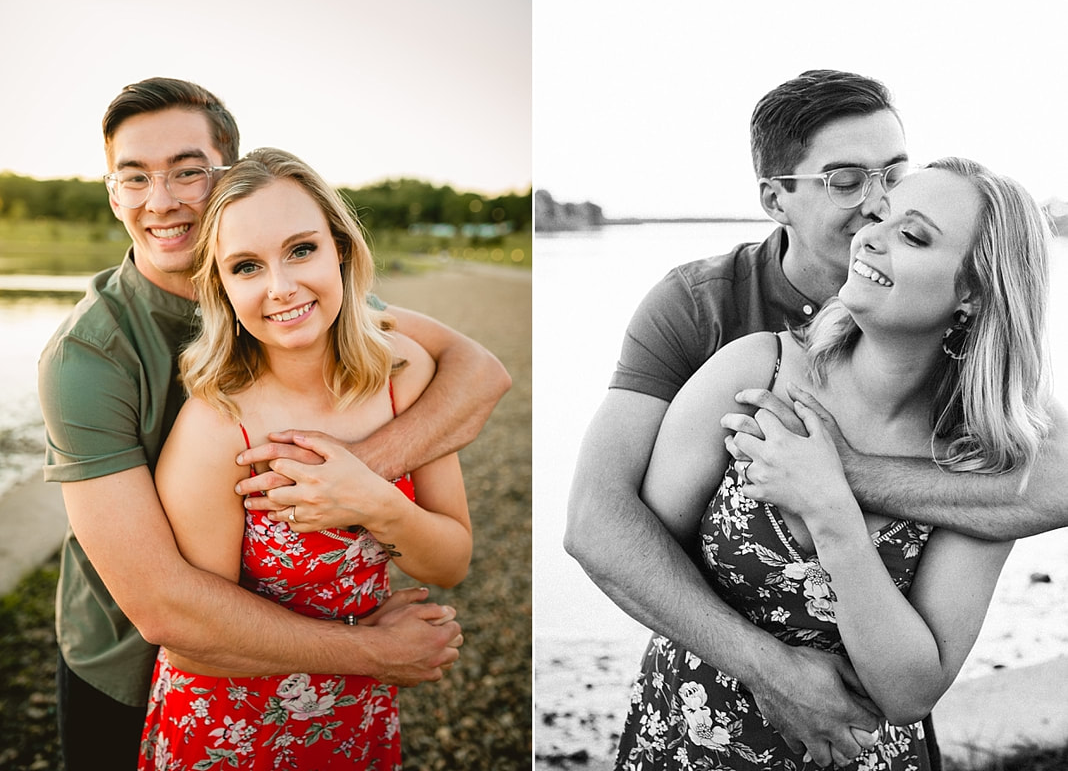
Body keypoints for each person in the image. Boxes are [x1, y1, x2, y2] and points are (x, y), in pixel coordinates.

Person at [564, 69, 1068, 767]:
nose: (873, 212)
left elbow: (1054, 483)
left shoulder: (976, 424)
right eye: (845, 180)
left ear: (973, 295)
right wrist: (768, 668)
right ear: (776, 199)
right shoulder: (723, 336)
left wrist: (838, 486)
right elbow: (608, 529)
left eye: (893, 176)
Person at [38, 78, 510, 770]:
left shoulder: (297, 302)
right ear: (114, 194)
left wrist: (358, 482)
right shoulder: (87, 359)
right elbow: (168, 615)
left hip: (332, 682)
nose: (161, 200)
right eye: (134, 177)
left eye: (187, 171)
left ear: (227, 173)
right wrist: (376, 651)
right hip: (130, 655)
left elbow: (478, 371)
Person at [136, 147, 472, 769]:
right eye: (246, 266)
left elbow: (450, 561)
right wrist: (371, 646)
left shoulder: (404, 376)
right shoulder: (217, 430)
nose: (281, 287)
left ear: (340, 247)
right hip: (232, 727)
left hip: (360, 717)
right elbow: (193, 644)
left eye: (300, 250)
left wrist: (370, 499)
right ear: (222, 287)